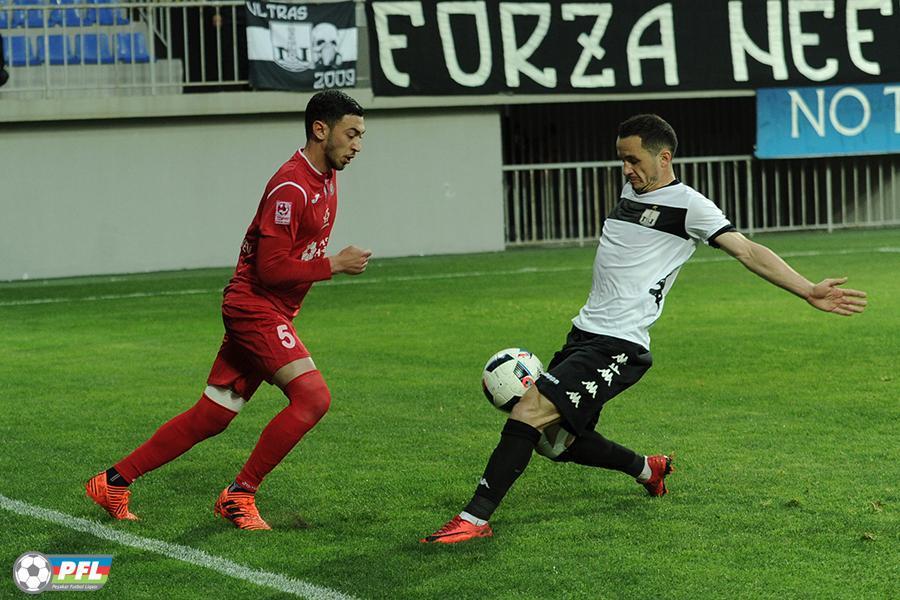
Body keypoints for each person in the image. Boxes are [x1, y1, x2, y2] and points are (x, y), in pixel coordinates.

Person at [421, 114, 868, 544]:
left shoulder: (690, 206)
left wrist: (808, 290)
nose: (626, 169)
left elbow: (747, 251)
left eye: (634, 159)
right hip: (585, 333)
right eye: (622, 159)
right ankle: (647, 469)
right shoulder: (632, 190)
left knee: (529, 412)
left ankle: (474, 519)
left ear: (664, 157)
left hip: (619, 343)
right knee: (556, 443)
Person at [86, 90, 370, 530]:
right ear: (320, 130)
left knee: (214, 414)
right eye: (351, 134)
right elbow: (270, 269)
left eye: (361, 136)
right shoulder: (291, 186)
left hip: (271, 309)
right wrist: (333, 265)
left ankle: (113, 481)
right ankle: (240, 494)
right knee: (313, 398)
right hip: (255, 307)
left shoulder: (326, 177)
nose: (357, 145)